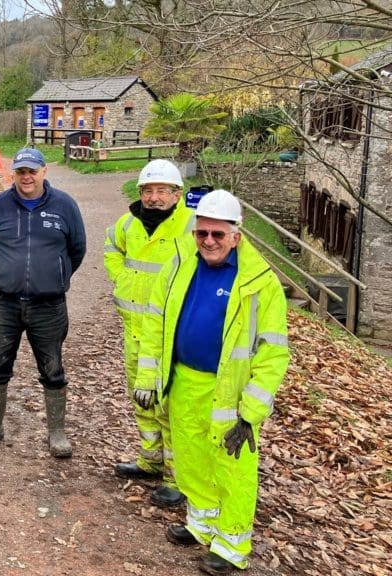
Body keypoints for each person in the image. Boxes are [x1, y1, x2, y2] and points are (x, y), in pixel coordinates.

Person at [133, 189, 289, 575]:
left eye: (218, 235)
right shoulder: (182, 265)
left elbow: (273, 352)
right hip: (184, 380)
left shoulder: (258, 282)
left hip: (230, 393)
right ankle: (201, 524)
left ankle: (232, 544)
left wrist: (251, 412)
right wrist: (150, 376)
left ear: (236, 234)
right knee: (191, 458)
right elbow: (157, 322)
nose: (208, 242)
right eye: (202, 233)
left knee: (233, 467)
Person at [0, 147, 86, 458]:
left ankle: (57, 432)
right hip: (4, 303)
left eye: (32, 170)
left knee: (52, 366)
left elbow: (77, 249)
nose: (27, 176)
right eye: (21, 171)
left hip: (49, 305)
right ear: (14, 174)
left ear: (44, 171)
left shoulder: (65, 205)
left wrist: (52, 276)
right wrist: (9, 272)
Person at [103, 159, 195, 508]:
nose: (154, 198)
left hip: (172, 333)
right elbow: (111, 249)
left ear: (177, 194)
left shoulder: (191, 227)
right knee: (141, 398)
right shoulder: (128, 224)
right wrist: (122, 279)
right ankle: (150, 459)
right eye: (148, 191)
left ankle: (176, 476)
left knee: (168, 405)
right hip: (135, 328)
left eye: (161, 191)